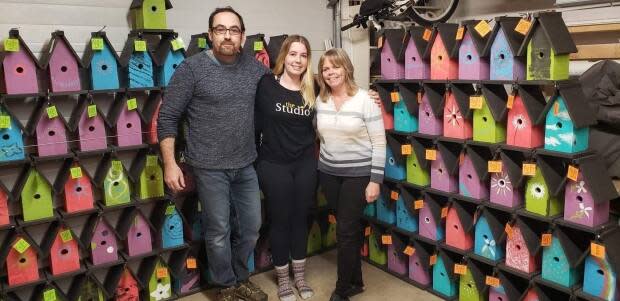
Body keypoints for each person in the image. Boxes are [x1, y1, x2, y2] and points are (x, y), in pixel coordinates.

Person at [157, 6, 269, 301]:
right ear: (210, 35)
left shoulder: (257, 70)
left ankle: (241, 277)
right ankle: (226, 286)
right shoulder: (191, 69)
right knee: (218, 231)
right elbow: (168, 117)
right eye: (220, 29)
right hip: (208, 167)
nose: (227, 36)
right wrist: (170, 163)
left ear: (242, 36)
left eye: (233, 30)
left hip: (246, 163)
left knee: (251, 228)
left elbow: (284, 94)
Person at [315, 48, 386, 301]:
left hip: (358, 176)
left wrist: (375, 180)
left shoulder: (365, 99)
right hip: (328, 174)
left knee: (345, 230)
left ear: (346, 68)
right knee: (348, 228)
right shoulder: (320, 100)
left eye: (335, 66)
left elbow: (379, 141)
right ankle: (356, 281)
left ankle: (342, 288)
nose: (330, 72)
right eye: (325, 68)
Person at [254, 35, 317, 301]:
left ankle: (300, 277)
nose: (298, 60)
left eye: (303, 55)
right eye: (293, 54)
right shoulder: (266, 84)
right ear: (284, 56)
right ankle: (283, 280)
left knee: (300, 219)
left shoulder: (313, 87)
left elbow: (343, 92)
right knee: (280, 221)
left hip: (304, 163)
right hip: (273, 164)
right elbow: (254, 122)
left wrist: (371, 95)